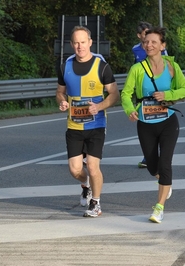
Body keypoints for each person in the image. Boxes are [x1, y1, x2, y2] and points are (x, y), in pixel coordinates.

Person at [121, 26, 185, 223]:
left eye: (153, 42)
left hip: (168, 121)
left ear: (163, 45)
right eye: (146, 42)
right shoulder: (137, 69)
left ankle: (159, 207)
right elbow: (126, 94)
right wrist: (130, 109)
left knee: (165, 162)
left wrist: (168, 95)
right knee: (153, 167)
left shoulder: (171, 67)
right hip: (145, 122)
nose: (149, 45)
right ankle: (164, 181)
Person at [56, 25, 119, 217]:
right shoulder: (64, 66)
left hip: (96, 125)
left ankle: (96, 203)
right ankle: (87, 184)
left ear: (90, 42)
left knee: (92, 165)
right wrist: (63, 102)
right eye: (76, 42)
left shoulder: (102, 66)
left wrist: (99, 107)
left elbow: (114, 93)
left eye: (83, 42)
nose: (80, 46)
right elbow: (60, 92)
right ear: (71, 44)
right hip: (74, 125)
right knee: (75, 170)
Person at [132, 21, 168, 168]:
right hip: (143, 92)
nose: (148, 39)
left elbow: (166, 63)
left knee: (159, 121)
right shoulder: (135, 49)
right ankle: (149, 155)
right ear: (139, 35)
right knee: (145, 122)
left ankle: (160, 153)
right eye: (145, 34)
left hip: (158, 90)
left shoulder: (159, 48)